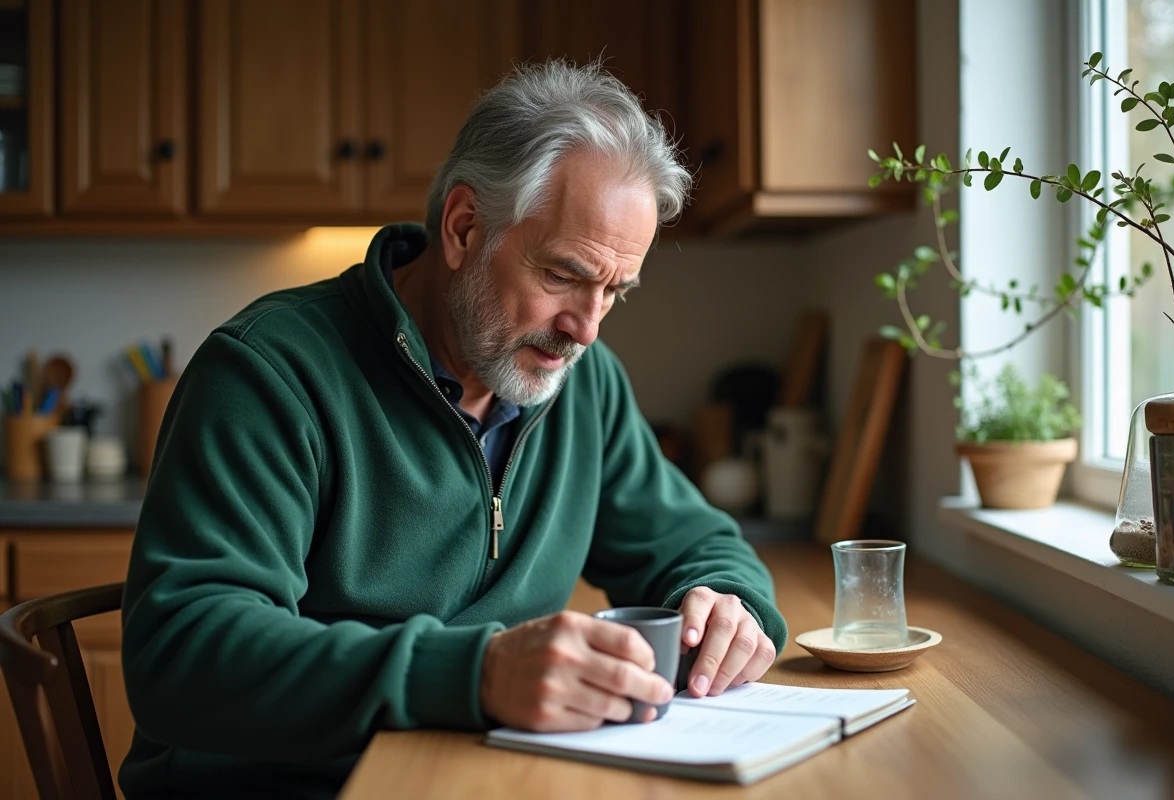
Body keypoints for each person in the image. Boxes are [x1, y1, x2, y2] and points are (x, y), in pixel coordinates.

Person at [119, 60, 787, 798]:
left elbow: (697, 546)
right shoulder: (268, 373)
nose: (586, 330)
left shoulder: (582, 385)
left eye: (613, 293)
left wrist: (728, 605)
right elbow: (182, 652)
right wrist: (477, 673)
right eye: (564, 275)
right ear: (465, 227)